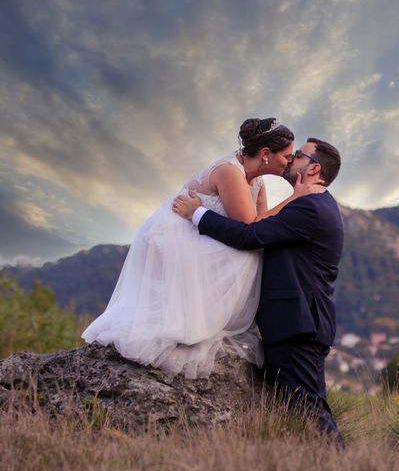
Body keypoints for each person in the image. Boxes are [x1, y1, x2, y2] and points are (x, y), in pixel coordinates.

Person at [82, 118, 324, 379]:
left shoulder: (257, 181)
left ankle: (208, 323)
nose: (289, 162)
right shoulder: (230, 171)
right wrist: (294, 198)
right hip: (177, 235)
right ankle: (191, 326)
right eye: (286, 156)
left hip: (202, 230)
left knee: (254, 252)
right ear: (265, 154)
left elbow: (261, 229)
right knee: (245, 258)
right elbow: (250, 224)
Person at [173, 137, 345, 445]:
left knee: (308, 411)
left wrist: (197, 213)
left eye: (299, 157)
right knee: (299, 412)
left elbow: (250, 235)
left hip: (298, 325)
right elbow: (261, 226)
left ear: (315, 168)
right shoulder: (308, 204)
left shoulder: (311, 207)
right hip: (295, 324)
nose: (291, 160)